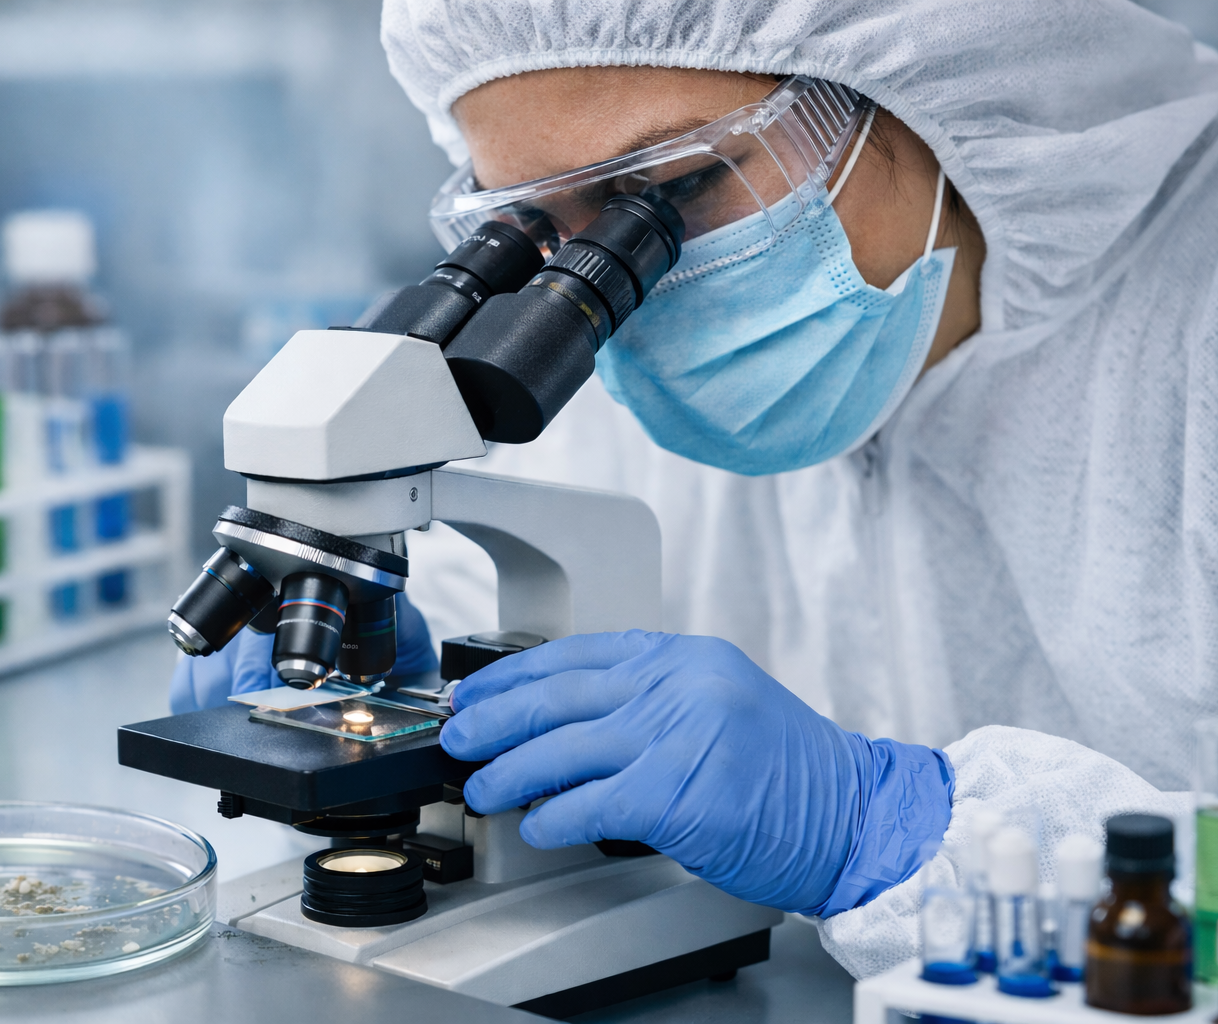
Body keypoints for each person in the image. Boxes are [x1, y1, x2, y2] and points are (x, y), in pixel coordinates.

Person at [172, 0, 1218, 976]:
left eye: (674, 192)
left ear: (911, 88)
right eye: (544, 231)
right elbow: (463, 549)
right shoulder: (625, 381)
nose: (624, 287)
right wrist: (367, 642)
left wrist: (893, 826)